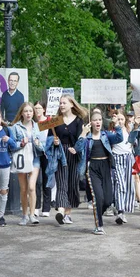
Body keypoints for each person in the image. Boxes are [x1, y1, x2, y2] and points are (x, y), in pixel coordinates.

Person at [75, 111, 123, 235]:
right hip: (93, 168)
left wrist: (117, 124)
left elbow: (119, 138)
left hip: (106, 167)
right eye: (95, 120)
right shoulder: (88, 138)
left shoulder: (106, 135)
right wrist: (83, 133)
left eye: (100, 120)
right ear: (91, 123)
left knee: (108, 200)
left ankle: (98, 214)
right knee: (98, 198)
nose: (98, 122)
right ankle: (99, 225)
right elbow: (77, 148)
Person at [48, 95, 88, 225]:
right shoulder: (55, 121)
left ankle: (67, 214)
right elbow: (48, 139)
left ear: (71, 104)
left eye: (64, 103)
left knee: (71, 183)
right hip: (60, 154)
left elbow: (81, 140)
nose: (61, 105)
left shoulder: (79, 121)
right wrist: (53, 141)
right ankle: (60, 211)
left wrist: (76, 148)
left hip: (74, 154)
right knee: (61, 182)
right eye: (60, 103)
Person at [11, 103, 44, 225]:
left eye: (30, 111)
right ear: (22, 113)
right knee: (24, 189)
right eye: (26, 111)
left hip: (35, 157)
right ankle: (24, 215)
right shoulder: (15, 127)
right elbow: (12, 145)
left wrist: (37, 143)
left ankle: (32, 214)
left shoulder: (38, 126)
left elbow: (43, 146)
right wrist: (20, 143)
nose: (28, 113)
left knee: (31, 187)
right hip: (21, 158)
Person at [108, 110, 135, 225]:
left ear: (125, 120)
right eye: (118, 119)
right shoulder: (112, 131)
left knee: (128, 184)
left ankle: (123, 209)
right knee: (120, 184)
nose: (120, 121)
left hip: (128, 158)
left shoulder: (129, 130)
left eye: (122, 119)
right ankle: (120, 211)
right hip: (117, 157)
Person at [33, 101, 51, 217]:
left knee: (46, 180)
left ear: (44, 109)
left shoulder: (50, 121)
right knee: (36, 181)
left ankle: (46, 207)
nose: (37, 110)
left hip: (47, 153)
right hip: (36, 153)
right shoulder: (33, 123)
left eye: (39, 108)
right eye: (35, 108)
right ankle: (36, 206)